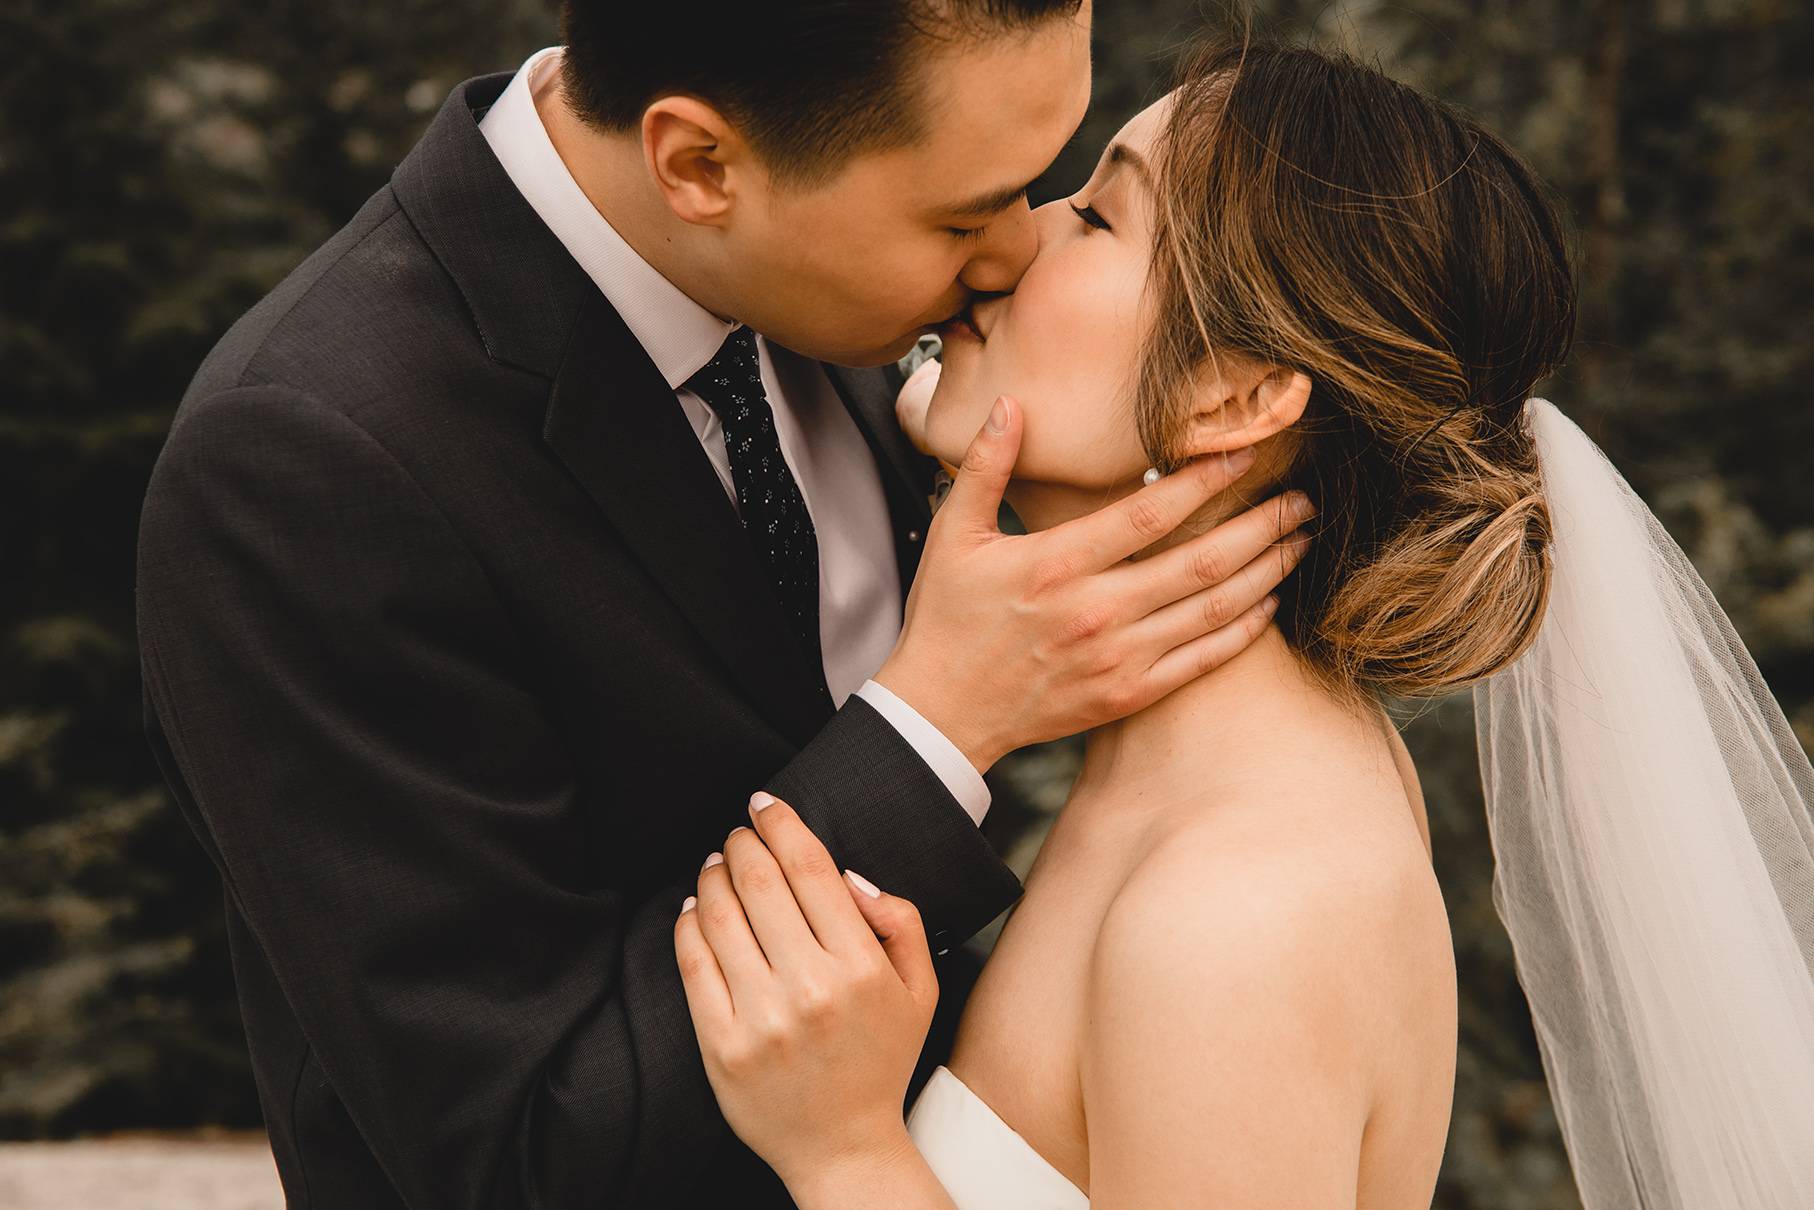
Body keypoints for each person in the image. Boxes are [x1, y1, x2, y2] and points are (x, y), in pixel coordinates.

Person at [134, 4, 1313, 1208]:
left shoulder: (848, 302)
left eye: (1039, 186)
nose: (1016, 256)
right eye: (961, 214)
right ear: (699, 164)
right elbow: (510, 1147)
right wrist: (935, 728)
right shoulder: (310, 457)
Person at [675, 39, 1814, 1210]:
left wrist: (846, 1153)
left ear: (1236, 397)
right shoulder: (1194, 778)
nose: (1016, 239)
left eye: (1098, 218)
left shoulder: (1241, 911)